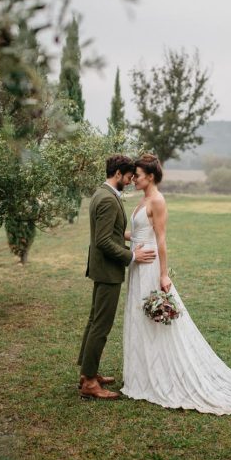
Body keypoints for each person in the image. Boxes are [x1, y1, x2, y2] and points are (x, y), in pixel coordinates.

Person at [121, 153, 231, 414]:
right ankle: (144, 370)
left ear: (150, 176)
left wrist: (163, 275)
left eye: (137, 174)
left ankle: (163, 372)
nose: (133, 178)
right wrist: (119, 235)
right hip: (138, 264)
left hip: (150, 267)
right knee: (140, 317)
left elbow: (161, 240)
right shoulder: (143, 199)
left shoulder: (157, 200)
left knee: (155, 318)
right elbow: (138, 234)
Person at [78, 154, 156, 400]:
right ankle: (90, 382)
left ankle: (87, 373)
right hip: (108, 270)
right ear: (119, 173)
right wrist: (131, 257)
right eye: (129, 176)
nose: (131, 180)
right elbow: (102, 241)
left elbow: (109, 232)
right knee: (100, 325)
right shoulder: (109, 200)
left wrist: (130, 237)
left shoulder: (102, 194)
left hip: (101, 268)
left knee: (94, 321)